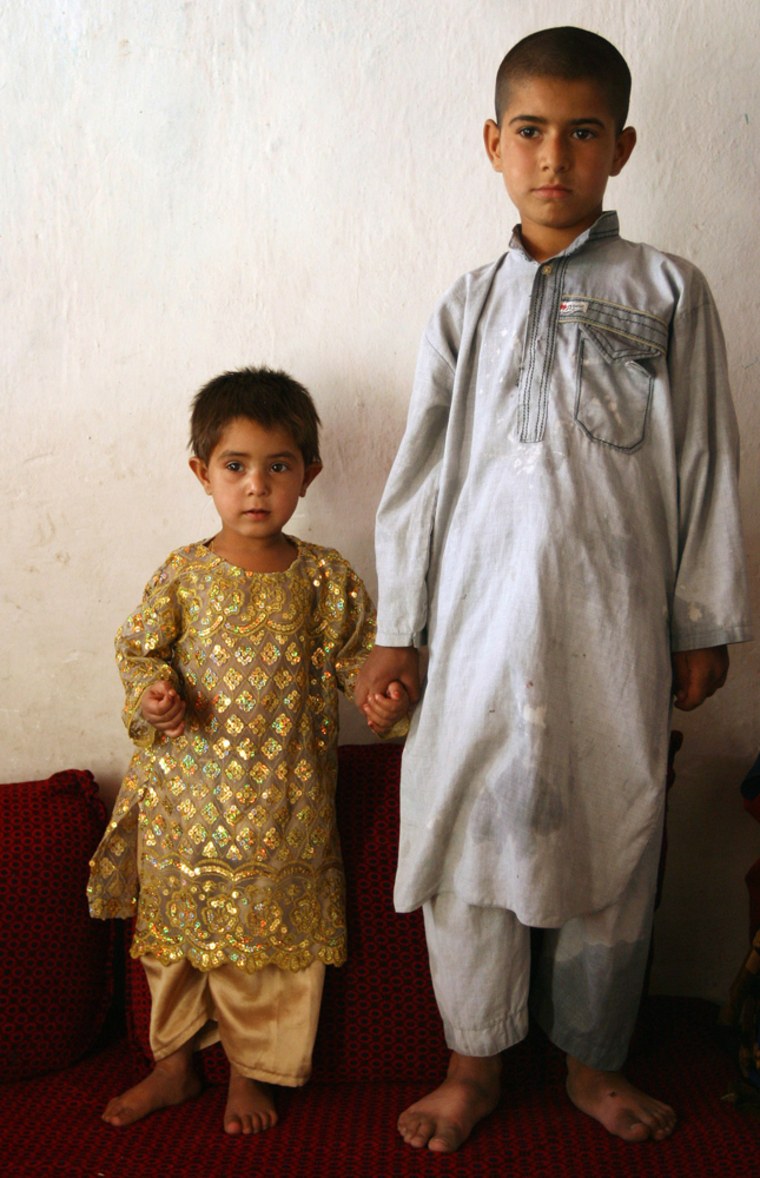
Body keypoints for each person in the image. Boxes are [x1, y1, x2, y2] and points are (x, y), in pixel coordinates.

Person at [355, 26, 752, 1153]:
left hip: (610, 631)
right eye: (529, 130)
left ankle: (592, 1063)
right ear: (492, 142)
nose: (553, 157)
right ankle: (470, 1063)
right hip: (475, 637)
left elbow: (707, 463)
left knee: (612, 838)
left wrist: (702, 617)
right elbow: (419, 480)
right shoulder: (465, 306)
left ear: (620, 147)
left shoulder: (667, 290)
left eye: (582, 133)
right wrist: (399, 629)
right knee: (466, 839)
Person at [88, 366, 408, 1134]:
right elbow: (139, 653)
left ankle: (250, 1074)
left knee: (269, 954)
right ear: (202, 473)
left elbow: (355, 662)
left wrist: (382, 691)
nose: (256, 486)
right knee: (173, 945)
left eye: (278, 466)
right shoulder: (183, 573)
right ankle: (174, 1067)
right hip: (183, 810)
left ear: (310, 475)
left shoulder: (326, 577)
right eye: (235, 466)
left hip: (282, 814)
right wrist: (155, 697)